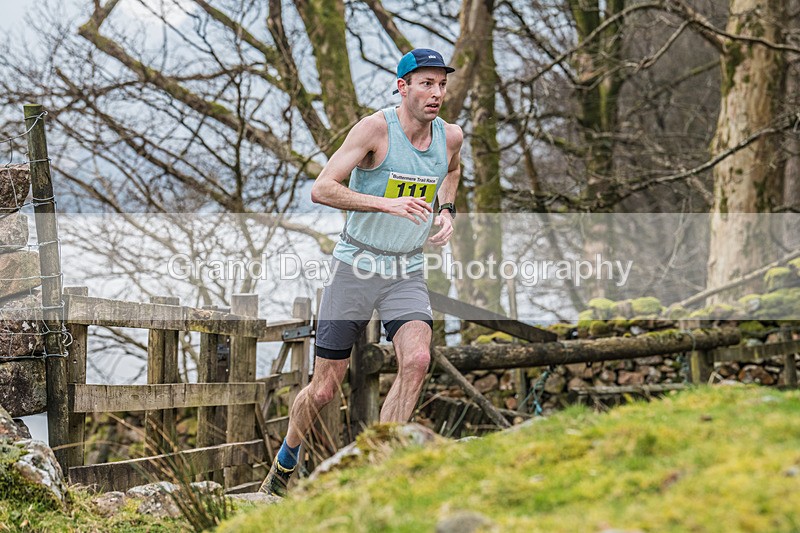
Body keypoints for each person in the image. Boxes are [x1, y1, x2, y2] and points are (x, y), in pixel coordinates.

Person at [260, 48, 463, 496]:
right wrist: (385, 202)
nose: (436, 93)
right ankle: (287, 458)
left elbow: (452, 171)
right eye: (426, 83)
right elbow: (322, 188)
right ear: (403, 87)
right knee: (324, 389)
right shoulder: (375, 130)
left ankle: (379, 468)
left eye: (442, 84)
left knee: (417, 359)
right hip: (356, 265)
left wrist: (446, 211)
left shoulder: (450, 136)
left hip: (405, 269)